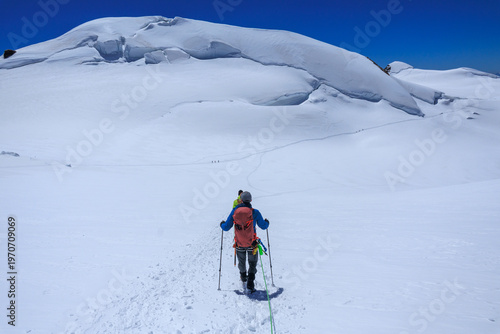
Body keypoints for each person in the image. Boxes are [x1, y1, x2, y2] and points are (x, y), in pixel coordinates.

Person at [220, 191, 269, 291]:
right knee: (252, 262)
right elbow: (264, 226)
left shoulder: (234, 211)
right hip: (252, 243)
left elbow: (226, 227)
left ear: (240, 200)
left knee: (241, 262)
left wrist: (222, 224)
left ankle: (243, 277)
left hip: (239, 243)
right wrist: (267, 222)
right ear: (250, 200)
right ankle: (250, 281)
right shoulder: (255, 212)